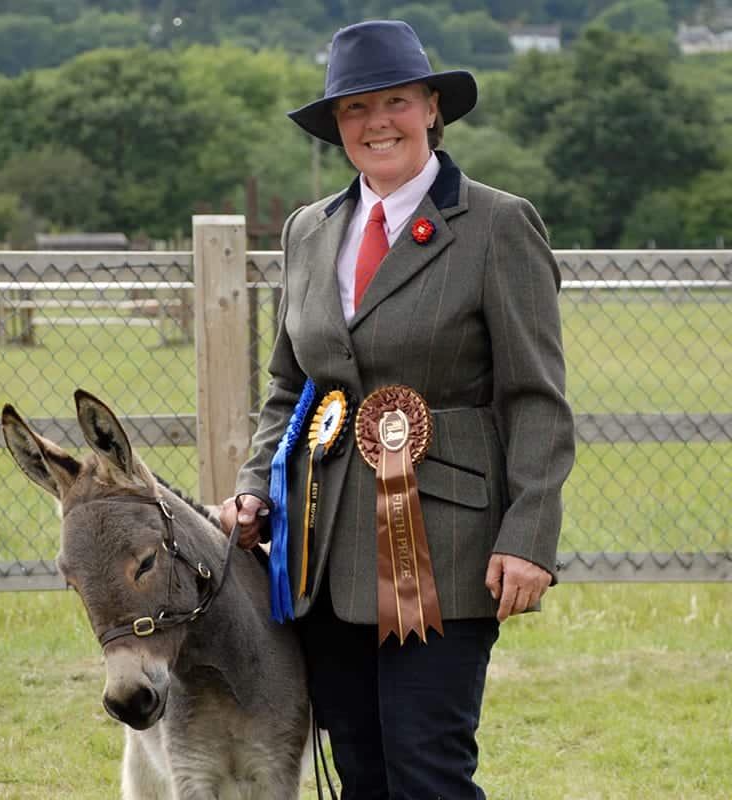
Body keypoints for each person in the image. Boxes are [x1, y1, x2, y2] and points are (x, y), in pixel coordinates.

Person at [220, 19, 575, 800]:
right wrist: (256, 484)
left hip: (446, 549)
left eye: (396, 102)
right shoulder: (308, 231)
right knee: (361, 767)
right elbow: (290, 383)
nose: (376, 122)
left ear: (432, 111)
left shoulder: (498, 224)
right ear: (337, 127)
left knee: (429, 768)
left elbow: (536, 400)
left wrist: (530, 537)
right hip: (321, 548)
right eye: (354, 109)